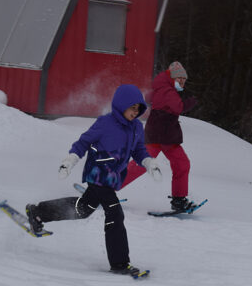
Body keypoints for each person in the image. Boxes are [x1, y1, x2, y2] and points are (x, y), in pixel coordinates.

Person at [25, 84, 161, 275]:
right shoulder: (105, 123)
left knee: (83, 209)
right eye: (132, 107)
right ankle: (120, 263)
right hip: (97, 174)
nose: (135, 112)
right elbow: (84, 142)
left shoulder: (137, 128)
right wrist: (70, 159)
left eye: (138, 109)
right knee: (115, 214)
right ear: (121, 105)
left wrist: (148, 162)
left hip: (112, 179)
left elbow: (138, 150)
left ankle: (38, 212)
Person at [122, 61, 199, 212]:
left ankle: (179, 199)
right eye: (179, 78)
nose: (182, 81)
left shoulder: (162, 88)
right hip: (161, 137)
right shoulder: (167, 91)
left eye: (184, 79)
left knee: (177, 164)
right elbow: (178, 107)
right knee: (174, 164)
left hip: (162, 136)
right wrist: (192, 101)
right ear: (172, 77)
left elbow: (149, 97)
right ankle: (106, 188)